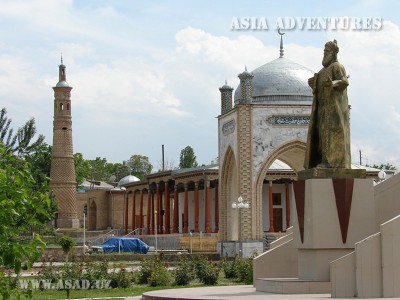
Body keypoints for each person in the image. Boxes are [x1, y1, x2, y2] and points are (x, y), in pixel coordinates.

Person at [304, 40, 351, 169]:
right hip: (322, 108)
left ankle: (331, 163)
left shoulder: (337, 66)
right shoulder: (322, 71)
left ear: (334, 53)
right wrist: (313, 83)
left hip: (333, 109)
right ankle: (322, 160)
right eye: (324, 51)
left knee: (330, 134)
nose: (325, 54)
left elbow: (344, 81)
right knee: (321, 137)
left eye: (327, 51)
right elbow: (318, 87)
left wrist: (333, 84)